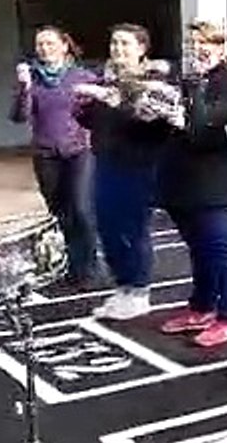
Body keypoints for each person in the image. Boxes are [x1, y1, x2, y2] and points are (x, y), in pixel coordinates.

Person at [76, 24, 177, 320]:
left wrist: (118, 102)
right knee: (106, 226)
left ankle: (139, 289)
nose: (118, 49)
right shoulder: (106, 80)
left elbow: (152, 124)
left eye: (125, 44)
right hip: (105, 159)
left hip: (138, 163)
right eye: (114, 43)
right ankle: (123, 286)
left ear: (142, 49)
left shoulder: (153, 81)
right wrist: (84, 109)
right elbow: (97, 122)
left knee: (132, 228)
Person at [157, 21, 227, 348]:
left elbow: (208, 127)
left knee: (223, 252)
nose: (199, 50)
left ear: (223, 48)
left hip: (218, 185)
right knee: (199, 250)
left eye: (207, 43)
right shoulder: (186, 80)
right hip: (184, 182)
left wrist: (184, 115)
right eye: (194, 44)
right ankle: (202, 306)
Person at [11, 26, 101, 288]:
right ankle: (67, 265)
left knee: (81, 209)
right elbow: (19, 117)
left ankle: (88, 267)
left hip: (79, 151)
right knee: (59, 212)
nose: (44, 49)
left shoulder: (82, 77)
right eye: (40, 44)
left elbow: (99, 112)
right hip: (46, 153)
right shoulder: (32, 78)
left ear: (64, 46)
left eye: (50, 43)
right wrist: (24, 88)